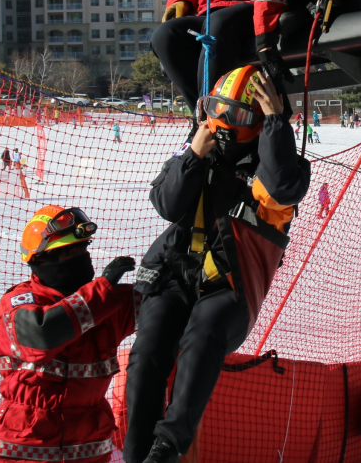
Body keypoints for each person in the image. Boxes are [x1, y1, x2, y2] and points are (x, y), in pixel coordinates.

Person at [125, 66, 310, 463]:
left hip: (231, 283)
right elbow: (166, 203)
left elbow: (280, 188)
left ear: (260, 121)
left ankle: (168, 446)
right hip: (176, 272)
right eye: (217, 109)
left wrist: (276, 123)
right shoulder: (195, 151)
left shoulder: (280, 166)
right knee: (149, 349)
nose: (224, 123)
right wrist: (193, 156)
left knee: (203, 336)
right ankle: (135, 453)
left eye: (239, 115)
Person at [0, 206, 136, 463]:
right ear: (41, 258)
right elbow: (43, 335)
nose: (82, 257)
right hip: (23, 447)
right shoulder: (18, 303)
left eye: (83, 249)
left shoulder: (107, 302)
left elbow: (161, 307)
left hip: (89, 447)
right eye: (70, 252)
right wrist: (102, 289)